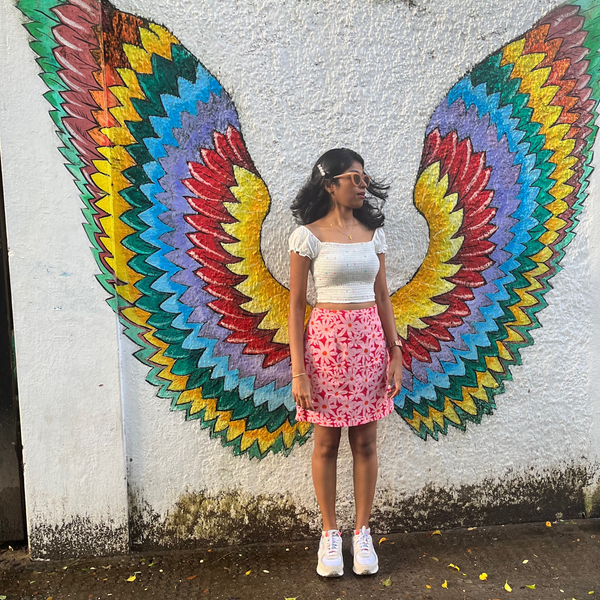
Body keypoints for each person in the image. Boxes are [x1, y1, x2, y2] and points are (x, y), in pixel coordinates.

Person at [287, 148, 403, 577]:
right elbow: (297, 306)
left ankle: (362, 532)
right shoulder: (308, 236)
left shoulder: (374, 234)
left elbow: (383, 296)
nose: (362, 184)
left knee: (366, 443)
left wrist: (396, 351)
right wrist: (298, 370)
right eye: (353, 177)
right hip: (325, 353)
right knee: (326, 444)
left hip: (370, 349)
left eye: (364, 177)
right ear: (329, 183)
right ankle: (330, 535)